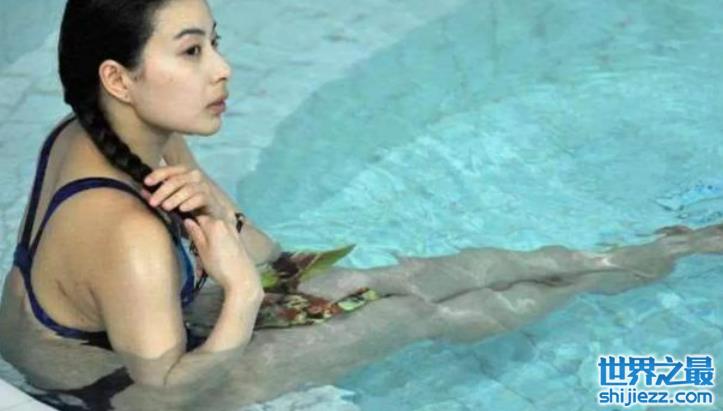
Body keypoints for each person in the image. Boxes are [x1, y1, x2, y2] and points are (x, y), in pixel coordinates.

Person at [2, 0, 723, 409]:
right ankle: (622, 273)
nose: (222, 69)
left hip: (150, 331)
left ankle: (643, 254)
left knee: (411, 277)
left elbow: (264, 252)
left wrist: (257, 251)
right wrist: (246, 295)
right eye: (191, 52)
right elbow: (161, 397)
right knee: (413, 313)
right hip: (115, 387)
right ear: (118, 79)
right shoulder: (124, 233)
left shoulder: (111, 131)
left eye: (214, 44)